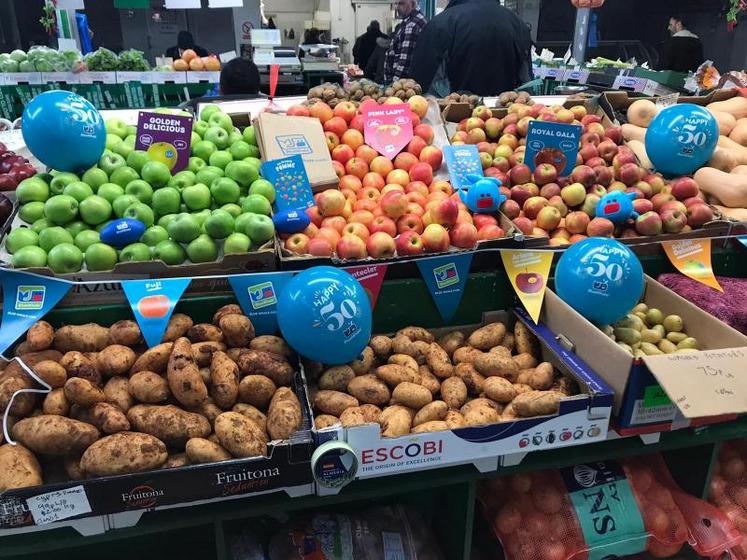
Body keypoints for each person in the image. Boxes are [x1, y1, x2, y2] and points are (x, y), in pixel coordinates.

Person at [409, 0, 532, 96]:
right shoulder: (518, 24)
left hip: (453, 122)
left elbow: (421, 87)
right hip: (506, 120)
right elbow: (526, 84)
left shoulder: (440, 25)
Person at [383, 0, 427, 83]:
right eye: (396, 3)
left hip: (401, 86)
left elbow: (405, 62)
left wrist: (393, 87)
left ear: (413, 3)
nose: (396, 7)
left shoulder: (412, 25)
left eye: (401, 3)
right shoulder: (410, 21)